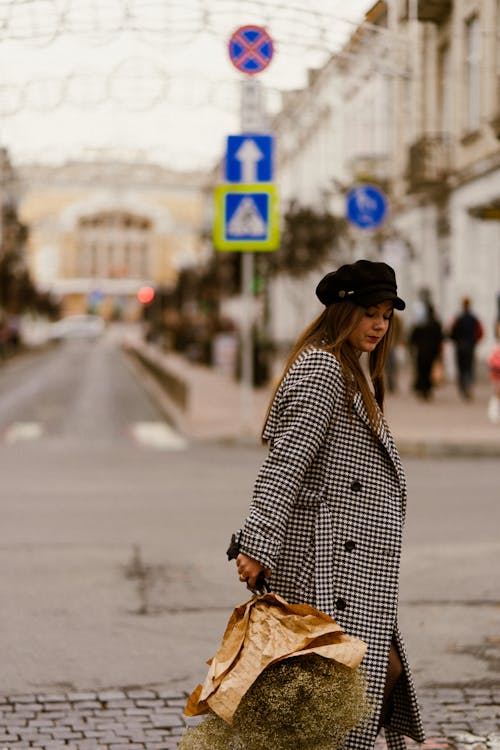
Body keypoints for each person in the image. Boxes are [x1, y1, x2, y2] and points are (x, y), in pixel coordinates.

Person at [229, 260, 425, 750]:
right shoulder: (322, 369)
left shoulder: (348, 368)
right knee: (342, 688)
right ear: (342, 313)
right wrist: (256, 545)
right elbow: (285, 464)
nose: (379, 325)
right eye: (368, 313)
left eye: (385, 314)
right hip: (328, 562)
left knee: (362, 678)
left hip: (345, 559)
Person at [449, 297, 483, 399]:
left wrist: (456, 340)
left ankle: (463, 387)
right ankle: (468, 385)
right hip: (470, 345)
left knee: (461, 367)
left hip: (460, 346)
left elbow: (451, 332)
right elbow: (480, 332)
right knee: (469, 367)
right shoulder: (474, 318)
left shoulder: (458, 318)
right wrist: (474, 341)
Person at [409, 303, 443, 400]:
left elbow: (413, 337)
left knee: (421, 370)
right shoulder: (436, 324)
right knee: (428, 371)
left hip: (421, 351)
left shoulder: (420, 323)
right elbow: (440, 338)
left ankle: (422, 388)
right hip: (432, 352)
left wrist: (412, 348)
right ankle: (427, 389)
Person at [487, 321, 500, 424]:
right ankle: (494, 413)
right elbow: (491, 360)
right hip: (497, 373)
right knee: (497, 393)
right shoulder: (496, 347)